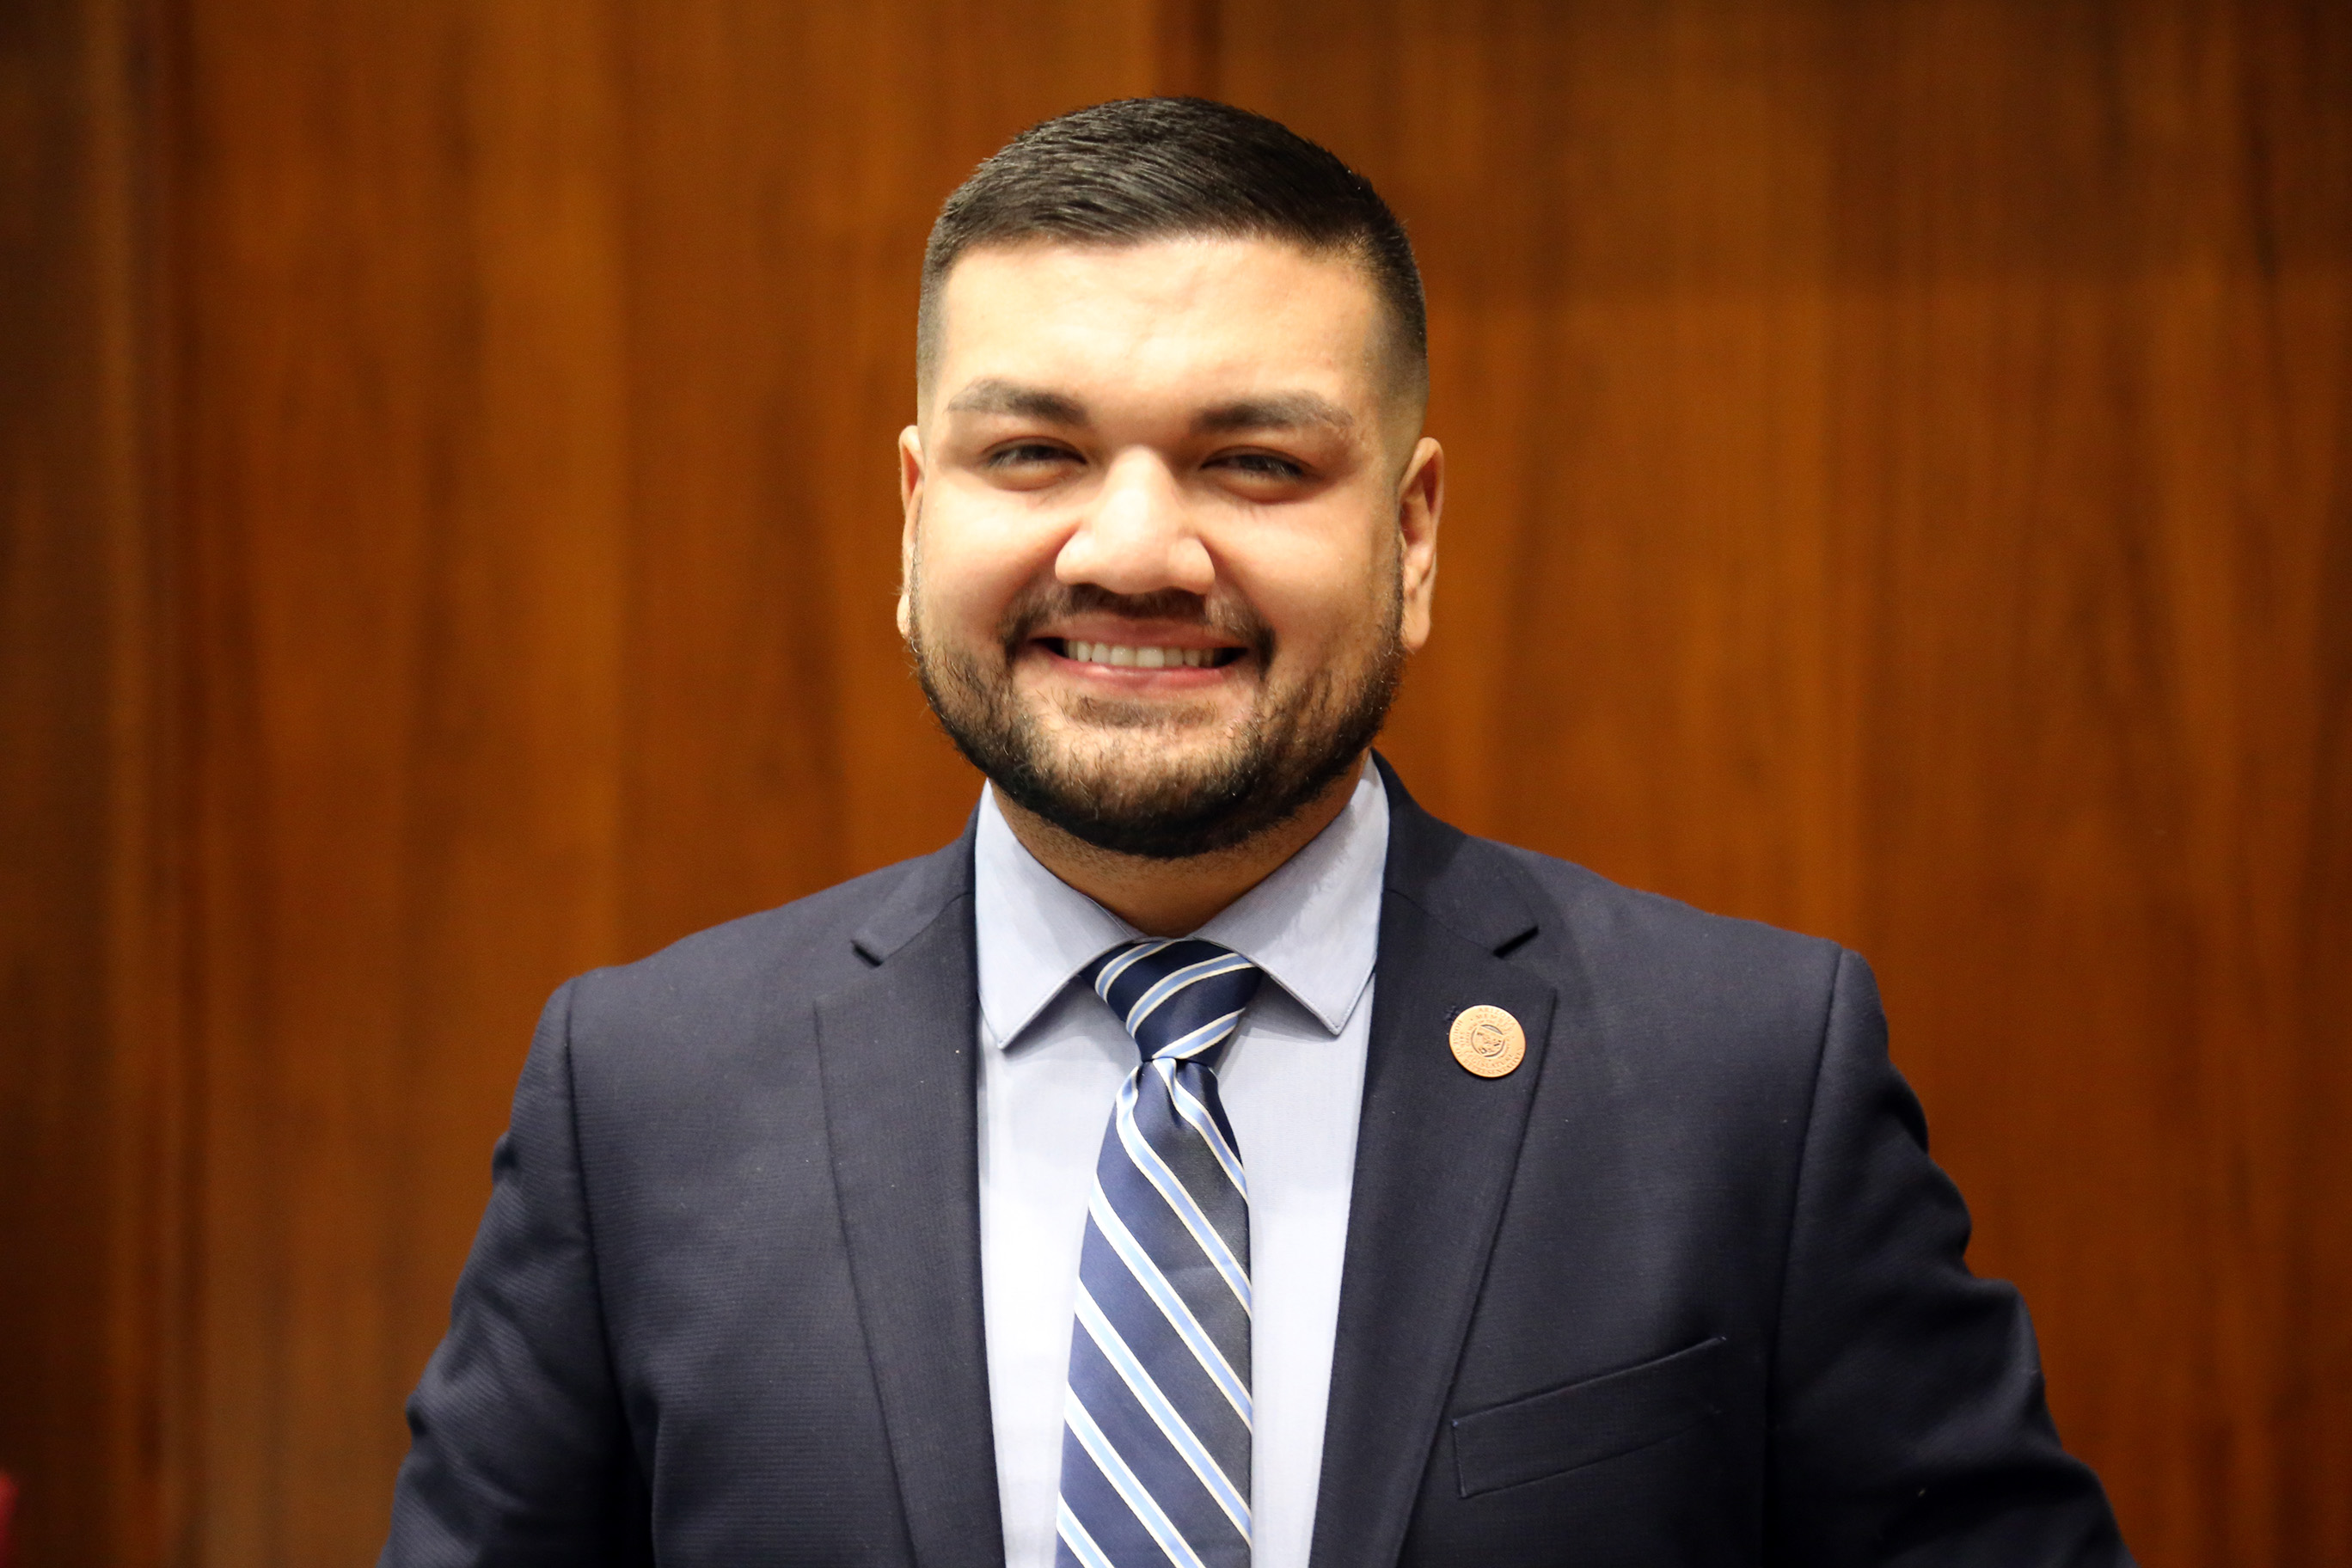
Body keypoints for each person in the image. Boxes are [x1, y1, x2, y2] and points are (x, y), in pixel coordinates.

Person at [382, 97, 2131, 1568]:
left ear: (1415, 529)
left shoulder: (1749, 1082)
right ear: (917, 515)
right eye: (1036, 454)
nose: (1136, 552)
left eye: (1256, 464)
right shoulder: (641, 1099)